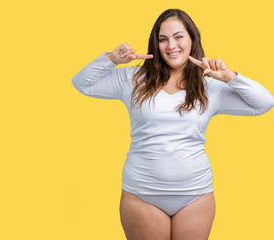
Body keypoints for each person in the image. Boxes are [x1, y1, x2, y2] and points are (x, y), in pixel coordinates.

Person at [71, 8, 274, 240]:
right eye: (163, 39)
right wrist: (112, 60)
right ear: (155, 44)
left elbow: (264, 103)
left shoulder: (210, 87)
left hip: (195, 196)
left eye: (178, 36)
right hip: (142, 194)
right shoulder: (131, 79)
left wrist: (230, 77)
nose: (171, 46)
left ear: (191, 40)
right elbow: (82, 83)